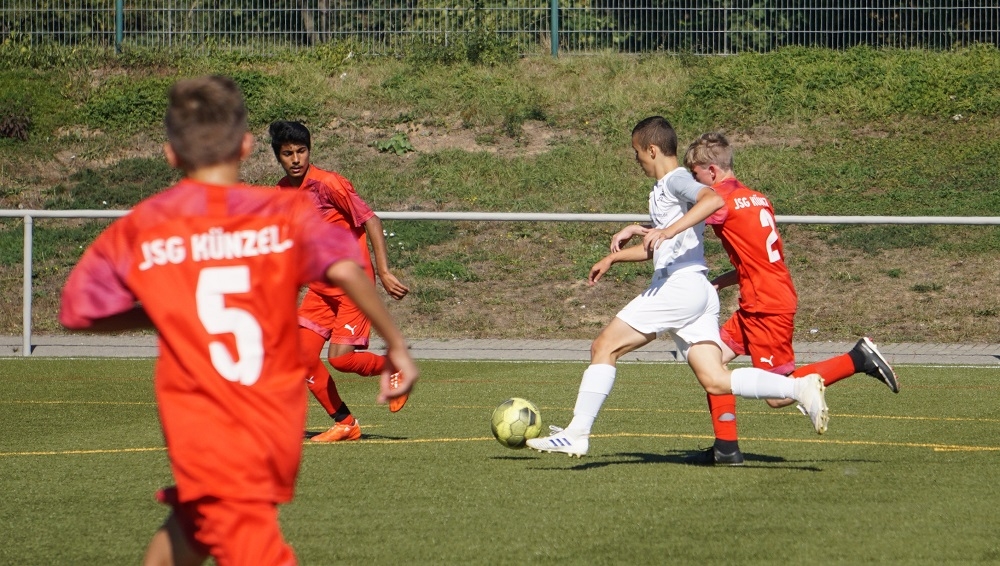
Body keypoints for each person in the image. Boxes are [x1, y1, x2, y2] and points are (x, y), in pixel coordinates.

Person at [58, 76, 418, 566]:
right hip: (259, 422)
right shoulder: (273, 211)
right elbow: (340, 265)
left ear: (170, 154)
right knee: (239, 536)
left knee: (193, 523)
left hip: (190, 422)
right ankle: (347, 419)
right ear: (247, 147)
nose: (295, 158)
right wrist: (396, 342)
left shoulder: (148, 222)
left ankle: (355, 404)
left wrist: (165, 308)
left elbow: (78, 311)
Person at [527, 116, 829, 458]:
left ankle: (577, 433)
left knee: (603, 347)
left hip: (678, 287)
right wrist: (616, 255)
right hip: (697, 290)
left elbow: (712, 200)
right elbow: (660, 243)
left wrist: (664, 230)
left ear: (651, 150)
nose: (636, 159)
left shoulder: (676, 179)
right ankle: (798, 388)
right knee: (715, 379)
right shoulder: (665, 188)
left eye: (636, 152)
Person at [649, 131, 896, 466]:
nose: (694, 183)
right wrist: (721, 281)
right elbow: (758, 258)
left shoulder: (720, 198)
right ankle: (726, 448)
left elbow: (689, 218)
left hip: (766, 305)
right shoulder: (756, 197)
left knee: (778, 396)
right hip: (761, 297)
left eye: (695, 175)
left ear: (711, 171)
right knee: (712, 366)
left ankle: (857, 359)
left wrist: (654, 229)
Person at [268, 120, 411, 443]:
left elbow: (370, 220)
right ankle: (345, 423)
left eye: (301, 151)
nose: (296, 159)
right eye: (288, 153)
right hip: (321, 288)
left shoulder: (329, 184)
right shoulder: (282, 192)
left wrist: (384, 271)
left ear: (310, 151)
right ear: (278, 156)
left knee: (341, 358)